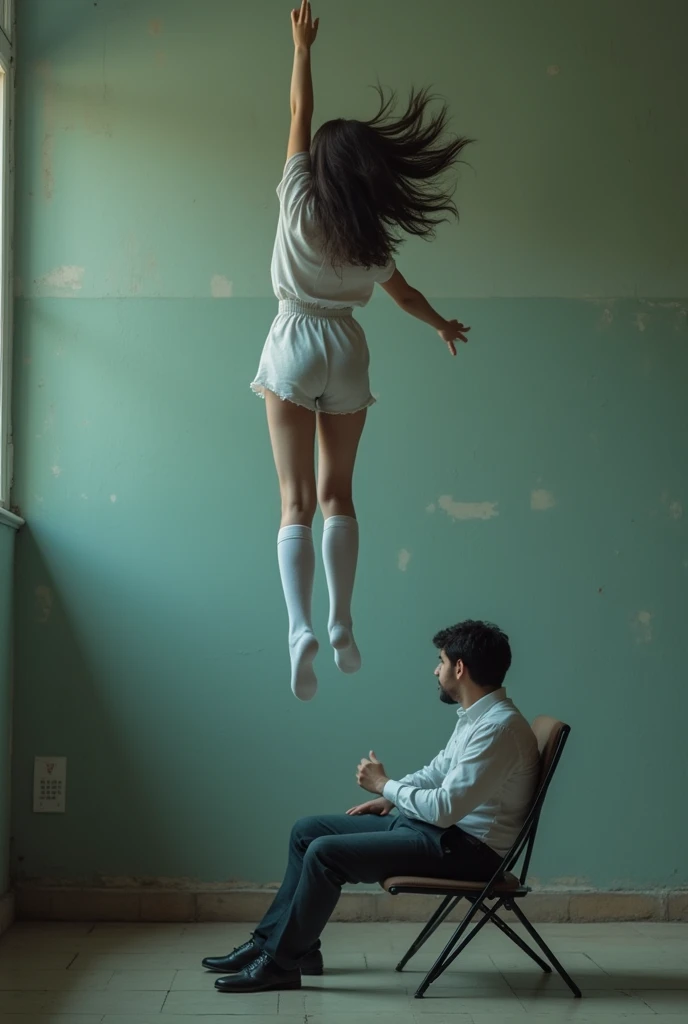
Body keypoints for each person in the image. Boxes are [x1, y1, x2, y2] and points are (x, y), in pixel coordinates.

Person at [253, 2, 472, 700]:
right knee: (338, 493)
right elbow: (405, 297)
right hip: (347, 347)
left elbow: (296, 106)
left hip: (292, 339)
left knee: (294, 503)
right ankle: (343, 619)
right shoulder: (368, 236)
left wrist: (301, 48)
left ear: (320, 163)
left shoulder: (296, 198)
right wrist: (441, 325)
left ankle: (300, 629)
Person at [202, 620, 540, 994]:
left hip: (468, 851)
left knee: (325, 854)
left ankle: (280, 963)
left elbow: (445, 808)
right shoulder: (478, 718)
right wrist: (391, 795)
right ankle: (284, 946)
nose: (436, 670)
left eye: (440, 661)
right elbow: (438, 771)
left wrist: (385, 783)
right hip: (441, 835)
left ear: (459, 668)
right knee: (307, 831)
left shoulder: (498, 729)